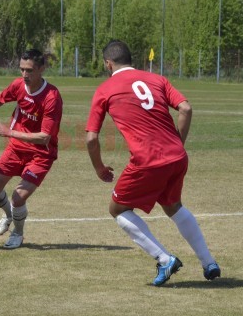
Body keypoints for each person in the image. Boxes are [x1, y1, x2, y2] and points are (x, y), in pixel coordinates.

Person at [85, 40, 220, 286]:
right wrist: (178, 142)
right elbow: (186, 109)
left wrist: (99, 167)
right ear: (130, 59)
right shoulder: (157, 79)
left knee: (117, 209)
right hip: (177, 156)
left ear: (108, 63)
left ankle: (164, 259)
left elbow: (91, 137)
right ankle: (208, 262)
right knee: (173, 206)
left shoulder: (105, 88)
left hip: (147, 160)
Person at [0, 49, 63, 249]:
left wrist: (10, 133)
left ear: (42, 69)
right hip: (16, 149)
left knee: (18, 197)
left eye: (30, 70)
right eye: (22, 69)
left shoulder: (52, 97)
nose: (24, 75)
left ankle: (18, 233)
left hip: (41, 154)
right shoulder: (19, 85)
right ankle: (8, 215)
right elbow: (1, 97)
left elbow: (44, 138)